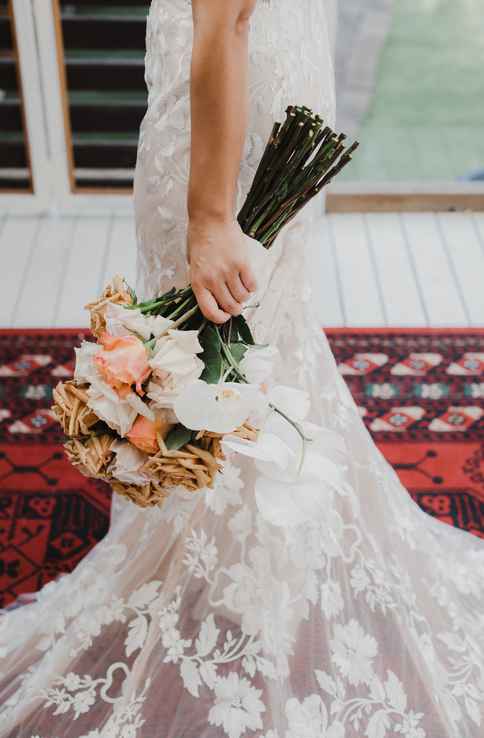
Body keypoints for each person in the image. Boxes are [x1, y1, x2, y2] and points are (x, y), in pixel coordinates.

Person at [1, 1, 484, 736]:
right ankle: (256, 565)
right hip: (273, 63)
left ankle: (233, 567)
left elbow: (222, 19)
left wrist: (208, 216)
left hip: (227, 104)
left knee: (214, 343)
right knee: (257, 347)